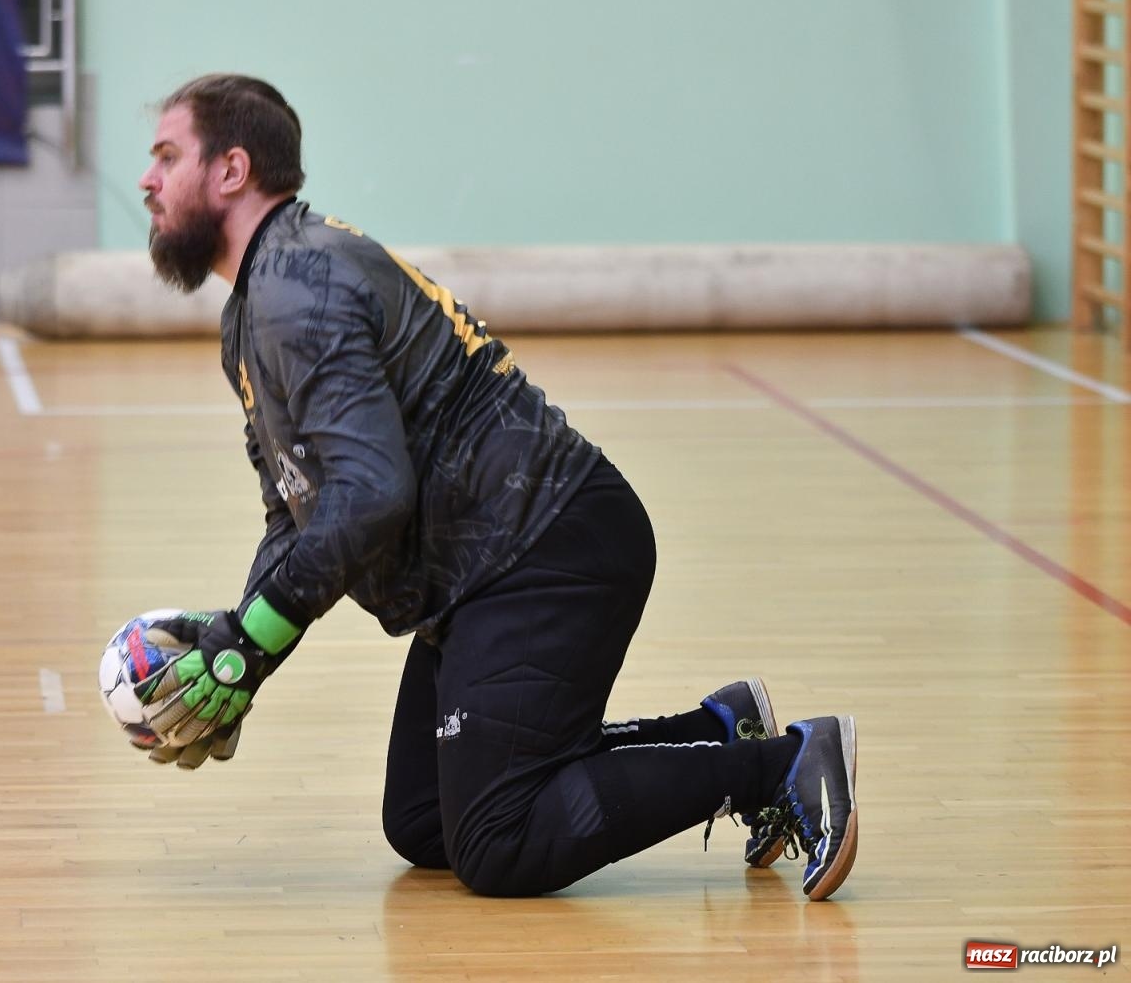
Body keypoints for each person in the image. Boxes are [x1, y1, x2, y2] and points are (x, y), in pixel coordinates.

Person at [129, 73, 859, 901]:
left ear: (231, 170)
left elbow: (370, 493)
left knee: (497, 843)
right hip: (481, 575)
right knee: (425, 823)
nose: (147, 180)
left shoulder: (300, 290)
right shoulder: (257, 309)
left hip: (546, 551)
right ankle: (719, 731)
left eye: (165, 155)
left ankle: (783, 765)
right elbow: (295, 514)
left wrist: (251, 641)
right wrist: (239, 650)